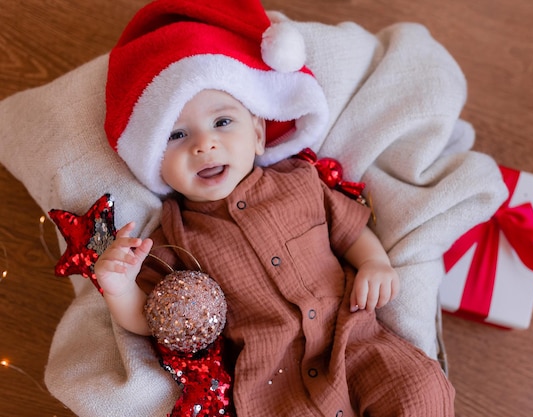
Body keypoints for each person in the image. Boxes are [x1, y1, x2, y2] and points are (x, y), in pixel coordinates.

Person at [95, 0, 455, 415]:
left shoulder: (300, 183)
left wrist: (374, 263)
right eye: (177, 135)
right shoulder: (172, 238)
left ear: (260, 135)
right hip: (273, 381)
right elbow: (152, 320)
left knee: (420, 391)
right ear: (153, 161)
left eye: (223, 122)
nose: (203, 144)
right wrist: (119, 288)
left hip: (354, 339)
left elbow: (350, 230)